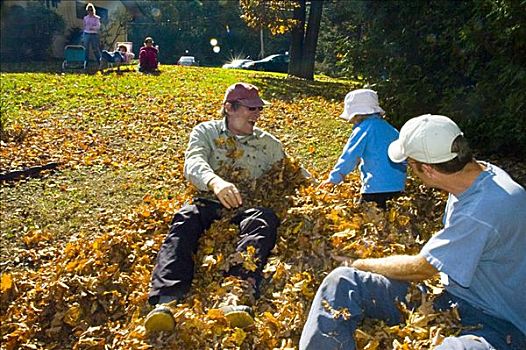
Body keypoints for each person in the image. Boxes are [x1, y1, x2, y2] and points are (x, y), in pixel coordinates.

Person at [300, 114, 526, 349]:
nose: (409, 171)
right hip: (452, 298)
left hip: (501, 324)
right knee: (342, 282)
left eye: (410, 164)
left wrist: (359, 264)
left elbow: (422, 268)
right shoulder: (481, 175)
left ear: (427, 169)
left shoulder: (482, 210)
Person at [144, 83, 288, 333]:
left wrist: (325, 188)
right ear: (229, 108)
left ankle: (234, 296)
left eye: (259, 109)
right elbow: (194, 162)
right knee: (185, 218)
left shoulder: (269, 144)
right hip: (209, 201)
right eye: (250, 108)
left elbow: (293, 173)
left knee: (263, 221)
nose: (257, 114)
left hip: (248, 206)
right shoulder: (206, 132)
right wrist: (215, 182)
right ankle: (166, 300)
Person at [319, 89, 406, 209]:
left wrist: (334, 178)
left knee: (366, 220)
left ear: (355, 115)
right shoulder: (391, 129)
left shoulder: (363, 129)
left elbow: (350, 156)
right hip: (398, 187)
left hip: (375, 188)